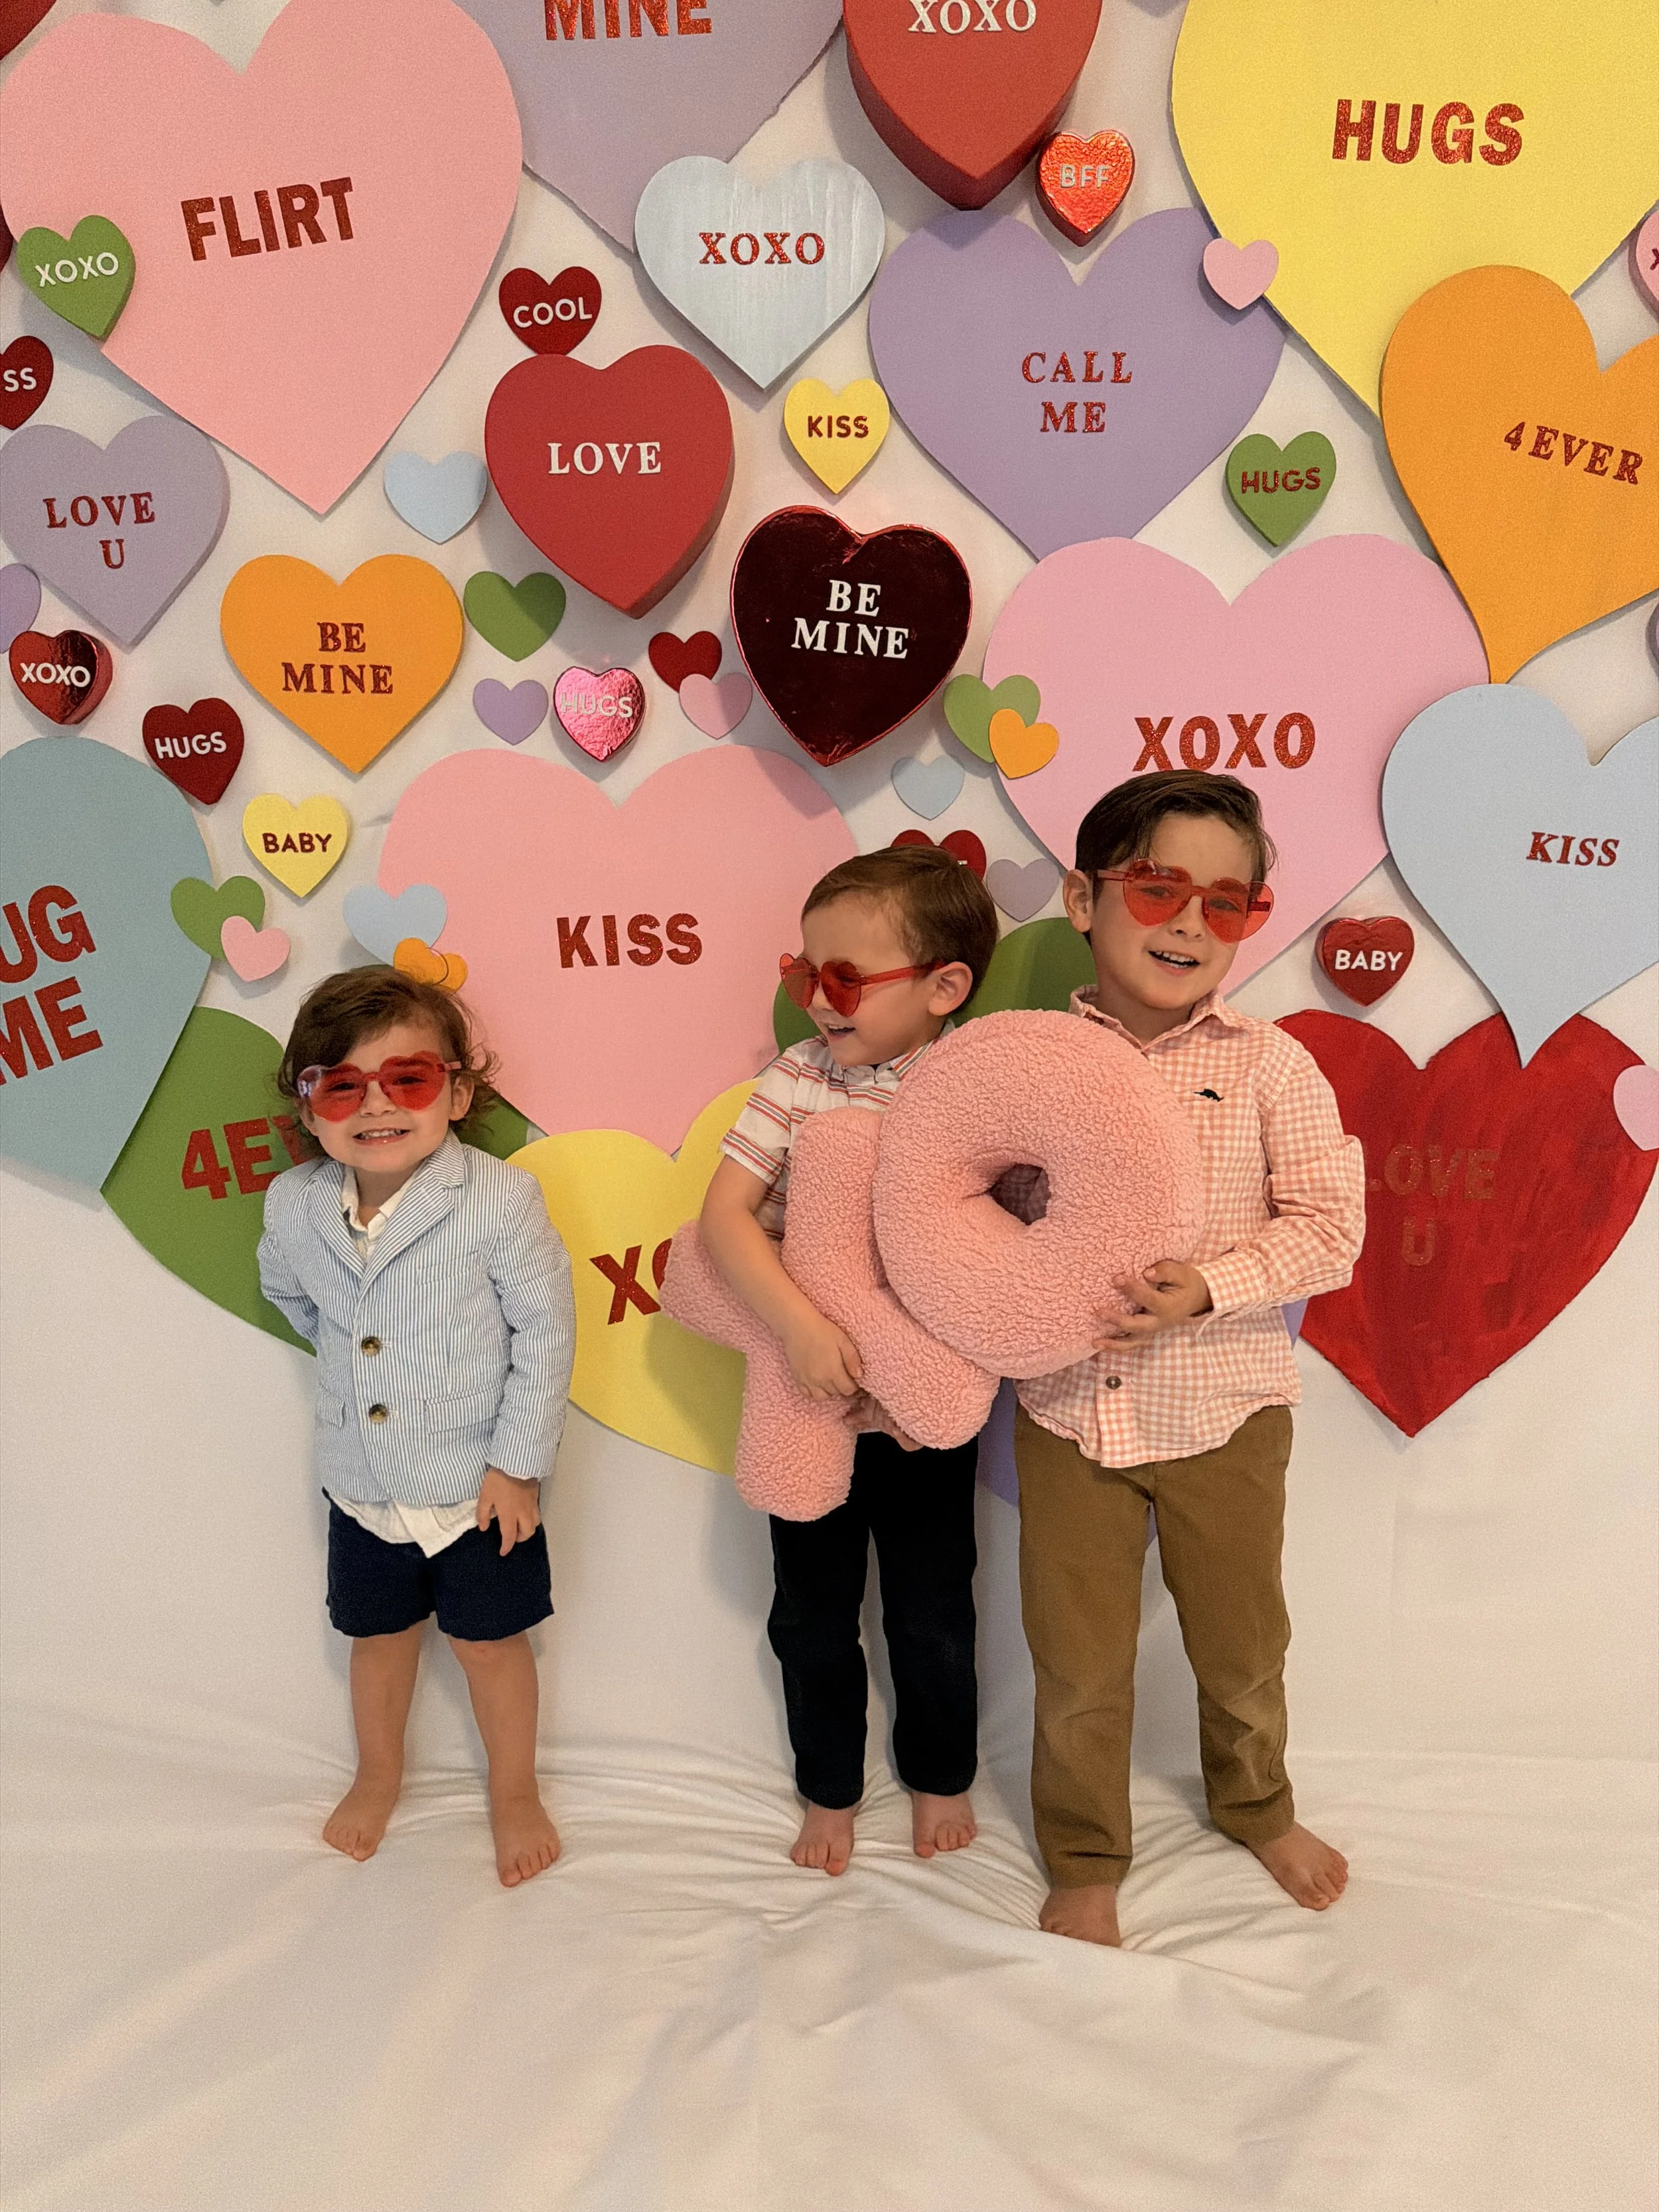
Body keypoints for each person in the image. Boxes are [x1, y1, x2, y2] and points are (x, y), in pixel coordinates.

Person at [1007, 771, 1365, 1947]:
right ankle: (1084, 1852)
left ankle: (1257, 1805)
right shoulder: (1026, 1062)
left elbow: (1330, 1226)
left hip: (1229, 1412)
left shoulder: (1273, 1066)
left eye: (1230, 903)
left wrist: (1212, 1285)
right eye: (1159, 887)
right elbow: (972, 1209)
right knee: (1077, 1662)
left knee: (1244, 1644)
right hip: (1070, 1414)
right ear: (1083, 895)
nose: (1190, 925)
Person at [699, 845, 999, 1876]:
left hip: (922, 1408)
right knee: (811, 1614)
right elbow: (725, 1219)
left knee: (935, 1610)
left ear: (944, 985)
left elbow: (1004, 1259)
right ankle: (828, 1784)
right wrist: (795, 1327)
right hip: (807, 1394)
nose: (819, 1003)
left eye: (844, 980)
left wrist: (936, 1381)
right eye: (803, 974)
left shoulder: (976, 1088)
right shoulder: (796, 1079)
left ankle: (942, 1774)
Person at [257, 967, 575, 1887]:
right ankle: (378, 1771)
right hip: (362, 1480)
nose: (377, 1107)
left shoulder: (497, 1200)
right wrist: (363, 1365)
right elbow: (292, 1294)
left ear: (458, 1092)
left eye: (408, 1080)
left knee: (489, 1645)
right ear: (311, 1106)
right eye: (342, 1085)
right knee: (378, 1638)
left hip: (479, 1487)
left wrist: (517, 1468)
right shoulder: (296, 1205)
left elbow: (546, 1335)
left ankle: (515, 1789)